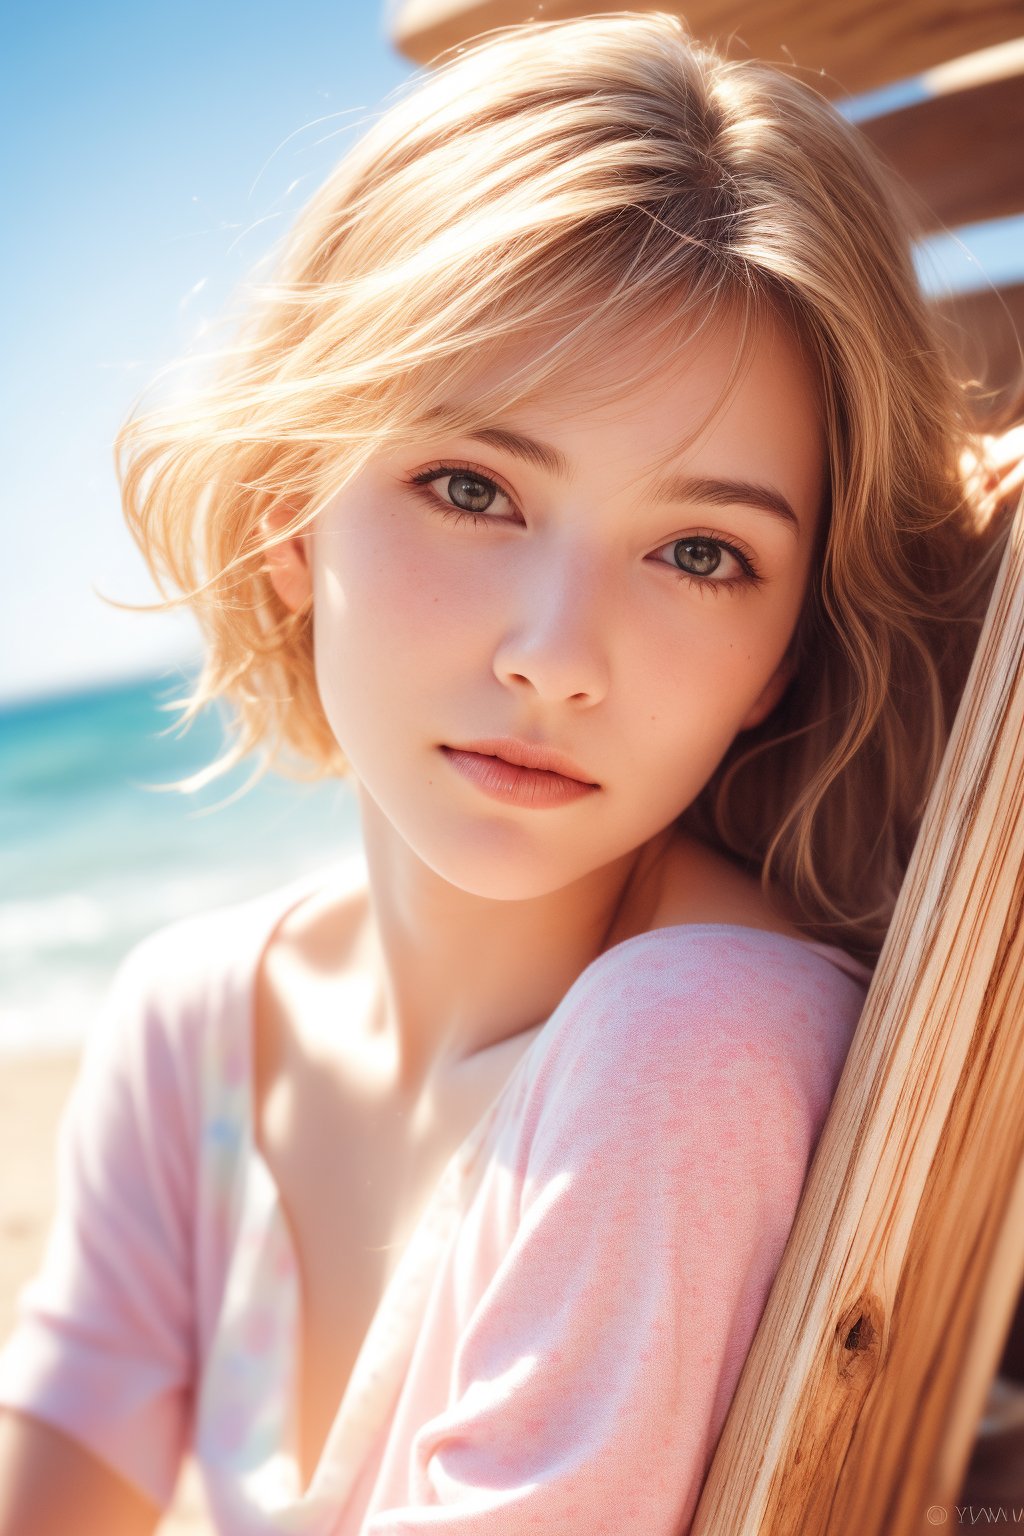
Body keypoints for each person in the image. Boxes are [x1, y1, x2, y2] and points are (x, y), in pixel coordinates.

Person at [0, 12, 1019, 1535]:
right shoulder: (198, 1022)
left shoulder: (687, 1050)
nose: (558, 655)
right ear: (292, 508)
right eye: (472, 487)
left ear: (784, 659)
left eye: (700, 552)